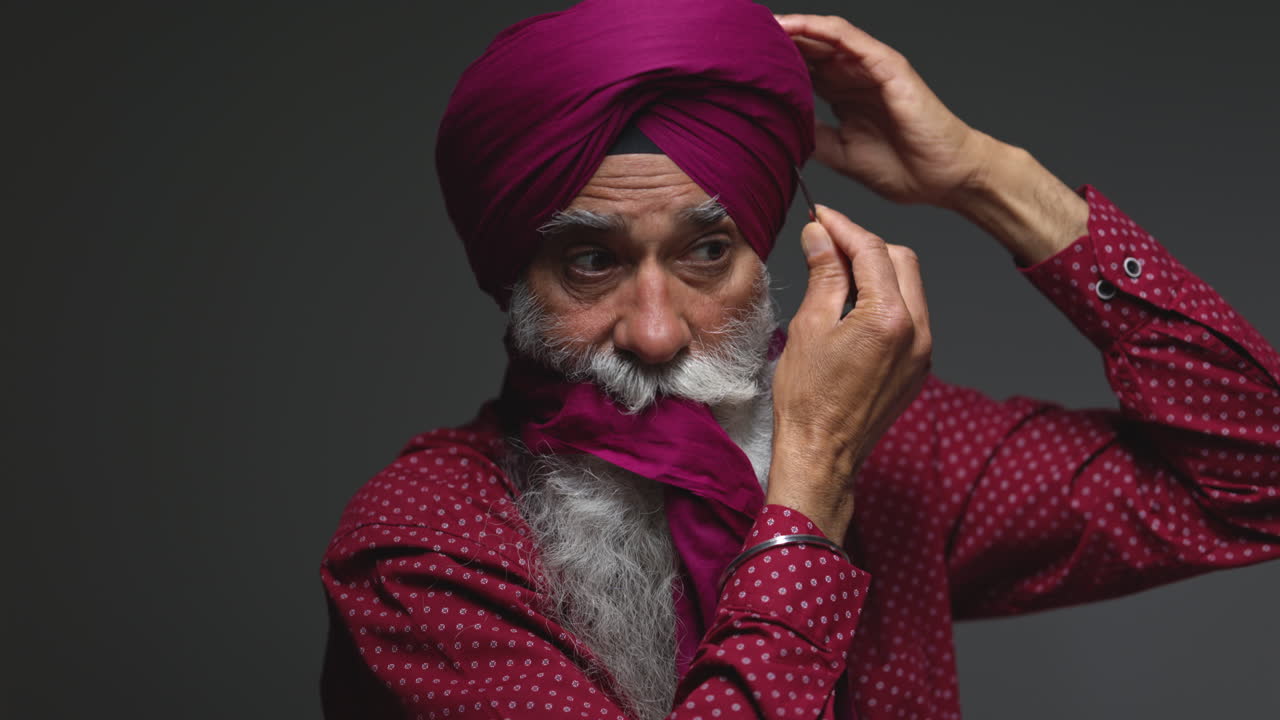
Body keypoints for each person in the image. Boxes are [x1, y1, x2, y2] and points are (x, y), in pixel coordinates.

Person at [318, 1, 1280, 718]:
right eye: (591, 261)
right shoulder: (425, 548)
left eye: (706, 251)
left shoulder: (892, 453)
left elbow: (1258, 473)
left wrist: (992, 180)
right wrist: (810, 495)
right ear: (514, 278)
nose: (655, 333)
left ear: (771, 253)